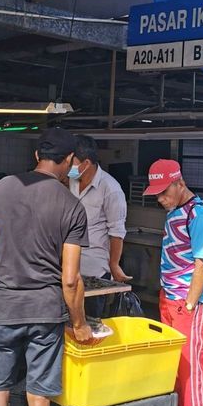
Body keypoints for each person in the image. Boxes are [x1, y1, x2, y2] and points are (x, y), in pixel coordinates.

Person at [0, 127, 93, 406]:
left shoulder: (1, 189)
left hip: (3, 306)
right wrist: (80, 324)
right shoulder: (72, 207)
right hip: (45, 312)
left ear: (36, 156)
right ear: (70, 161)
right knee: (39, 395)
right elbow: (70, 279)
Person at [143, 159, 203, 406]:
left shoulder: (199, 215)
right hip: (170, 299)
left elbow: (201, 263)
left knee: (191, 371)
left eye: (164, 192)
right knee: (174, 368)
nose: (160, 199)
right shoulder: (175, 212)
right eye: (156, 194)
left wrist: (189, 303)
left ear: (179, 182)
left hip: (190, 304)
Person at [68, 134, 129, 317]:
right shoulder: (70, 181)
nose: (69, 165)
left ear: (86, 163)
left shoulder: (111, 189)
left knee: (91, 322)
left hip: (94, 270)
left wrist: (114, 264)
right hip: (69, 268)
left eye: (72, 161)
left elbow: (117, 232)